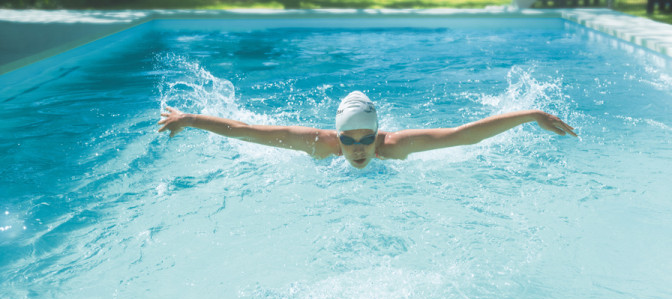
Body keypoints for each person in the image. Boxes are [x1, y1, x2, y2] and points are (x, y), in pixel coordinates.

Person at [158, 91, 577, 169]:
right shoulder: (318, 145)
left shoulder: (393, 147)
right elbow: (247, 130)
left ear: (378, 135)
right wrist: (190, 119)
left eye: (365, 140)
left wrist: (531, 114)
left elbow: (463, 134)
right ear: (336, 136)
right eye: (348, 140)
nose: (358, 150)